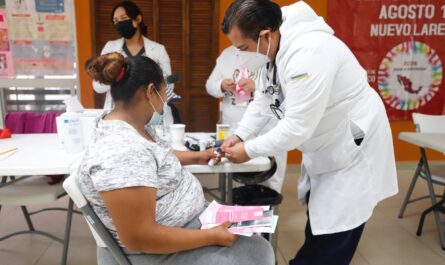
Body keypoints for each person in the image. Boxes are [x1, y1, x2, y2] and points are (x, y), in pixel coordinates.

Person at [220, 1, 398, 265]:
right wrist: (241, 135)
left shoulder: (309, 53)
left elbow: (296, 127)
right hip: (327, 144)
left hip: (353, 144)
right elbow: (265, 97)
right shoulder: (274, 46)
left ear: (265, 35)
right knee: (321, 220)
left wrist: (248, 151)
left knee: (337, 230)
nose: (241, 55)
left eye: (243, 48)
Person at [79, 52, 275, 265]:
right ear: (150, 92)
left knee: (258, 234)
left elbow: (155, 157)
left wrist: (198, 156)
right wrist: (212, 236)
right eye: (165, 93)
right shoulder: (120, 152)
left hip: (189, 222)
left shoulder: (132, 126)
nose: (165, 103)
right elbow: (138, 237)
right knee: (257, 253)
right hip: (156, 251)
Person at [206, 45, 287, 192]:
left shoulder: (270, 51)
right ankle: (238, 205)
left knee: (271, 170)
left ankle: (270, 208)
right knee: (236, 169)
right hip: (233, 123)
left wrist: (259, 85)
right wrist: (221, 85)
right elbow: (209, 85)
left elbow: (283, 87)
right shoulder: (227, 54)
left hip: (267, 124)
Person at [93, 0, 179, 120]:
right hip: (119, 114)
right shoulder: (110, 47)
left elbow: (170, 86)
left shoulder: (158, 50)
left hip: (150, 113)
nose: (119, 24)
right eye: (116, 21)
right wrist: (118, 75)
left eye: (124, 18)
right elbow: (97, 86)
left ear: (137, 19)